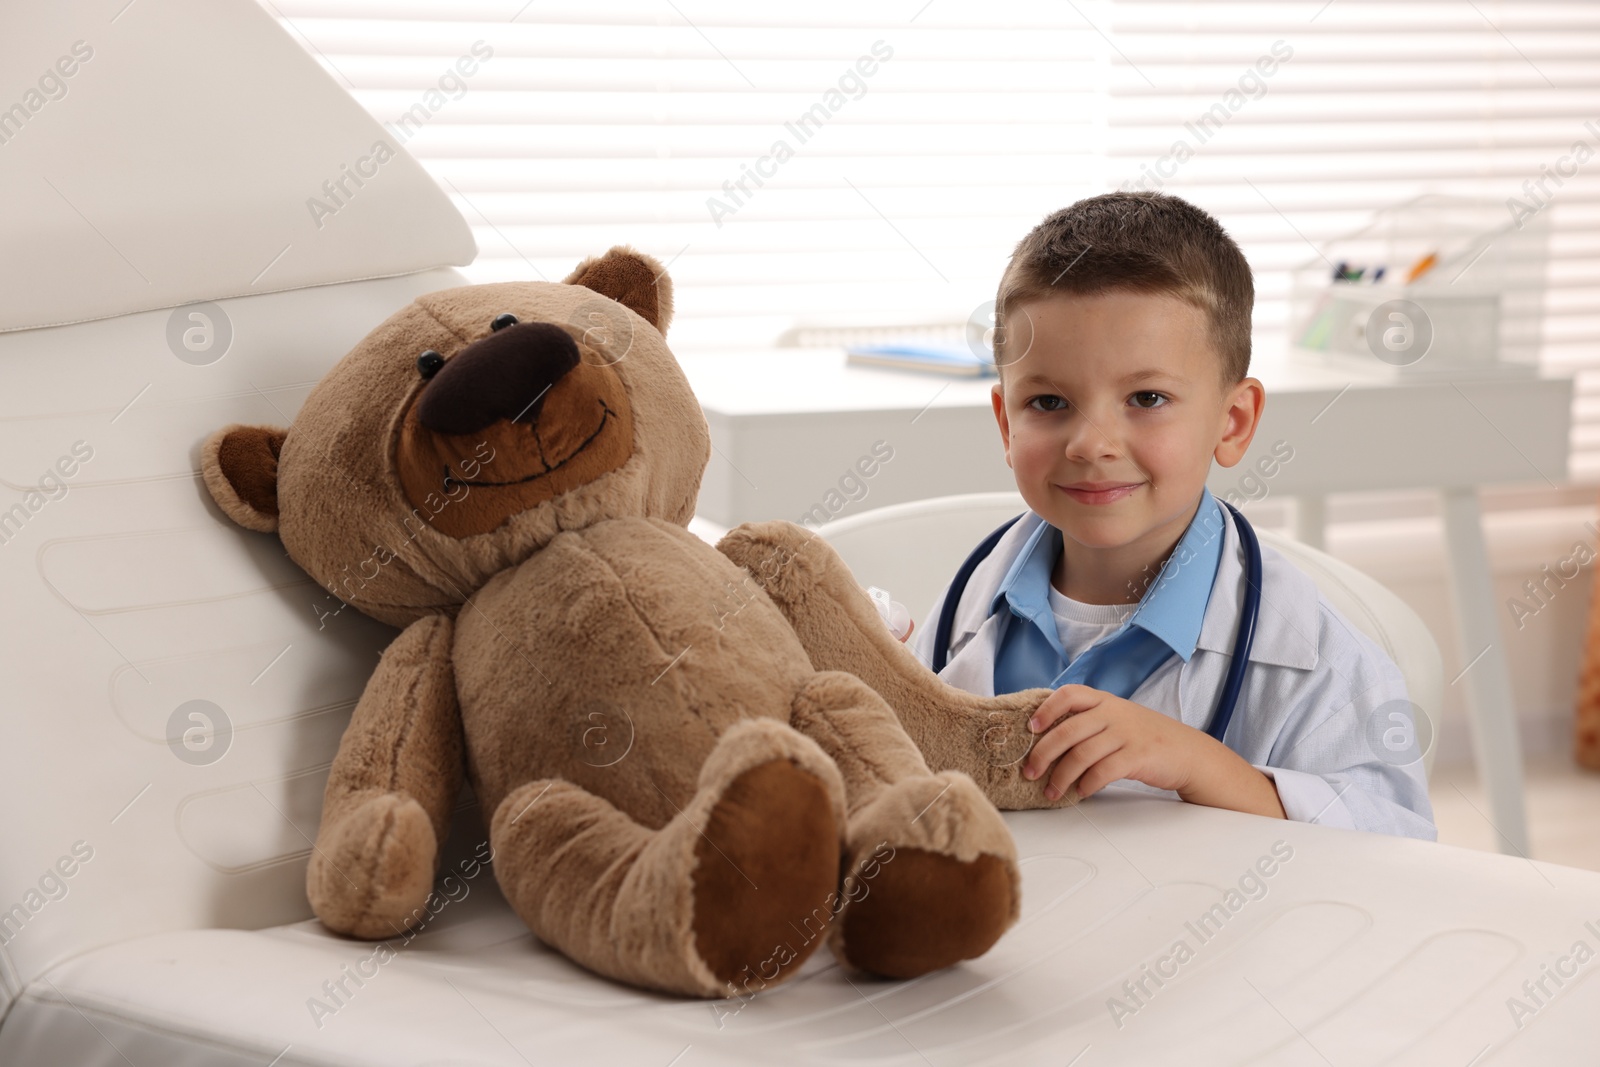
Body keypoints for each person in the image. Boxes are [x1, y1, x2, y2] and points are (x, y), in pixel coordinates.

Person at [907, 191, 1436, 840]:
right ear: (1005, 423)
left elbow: (1397, 852)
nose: (1090, 443)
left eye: (1146, 397)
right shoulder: (966, 605)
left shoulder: (1317, 658)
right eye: (1048, 401)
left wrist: (1198, 764)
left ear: (1232, 421)